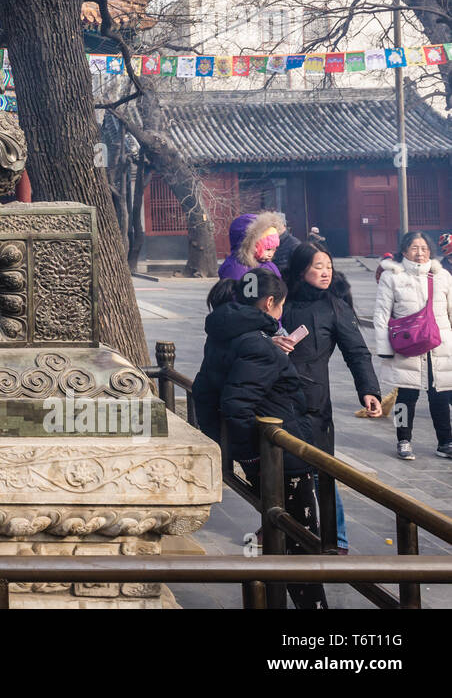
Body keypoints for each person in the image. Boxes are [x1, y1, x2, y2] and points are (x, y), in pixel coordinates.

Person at [193, 267, 326, 609]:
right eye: (280, 305)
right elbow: (236, 404)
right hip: (279, 456)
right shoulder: (258, 346)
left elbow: (204, 393)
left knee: (277, 529)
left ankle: (269, 599)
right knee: (301, 540)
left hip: (260, 451)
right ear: (269, 303)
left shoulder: (224, 335)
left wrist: (218, 445)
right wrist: (249, 457)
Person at [283, 243, 383, 554]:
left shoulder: (335, 306)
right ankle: (280, 525)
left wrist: (368, 390)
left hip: (314, 401)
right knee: (280, 466)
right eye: (317, 266)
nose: (325, 272)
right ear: (301, 270)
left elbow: (357, 353)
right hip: (276, 397)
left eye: (328, 265)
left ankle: (336, 537)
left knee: (321, 468)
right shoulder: (280, 301)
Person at [374, 231, 452, 460]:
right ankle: (403, 439)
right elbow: (381, 315)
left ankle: (446, 441)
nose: (420, 253)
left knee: (440, 395)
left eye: (424, 248)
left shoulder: (443, 276)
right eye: (414, 248)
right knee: (405, 397)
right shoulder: (392, 277)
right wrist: (385, 350)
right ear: (404, 251)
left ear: (431, 251)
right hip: (407, 347)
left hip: (439, 347)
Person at [218, 211, 287, 281]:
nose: (271, 255)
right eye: (267, 249)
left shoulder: (269, 266)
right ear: (249, 245)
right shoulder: (234, 269)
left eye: (274, 249)